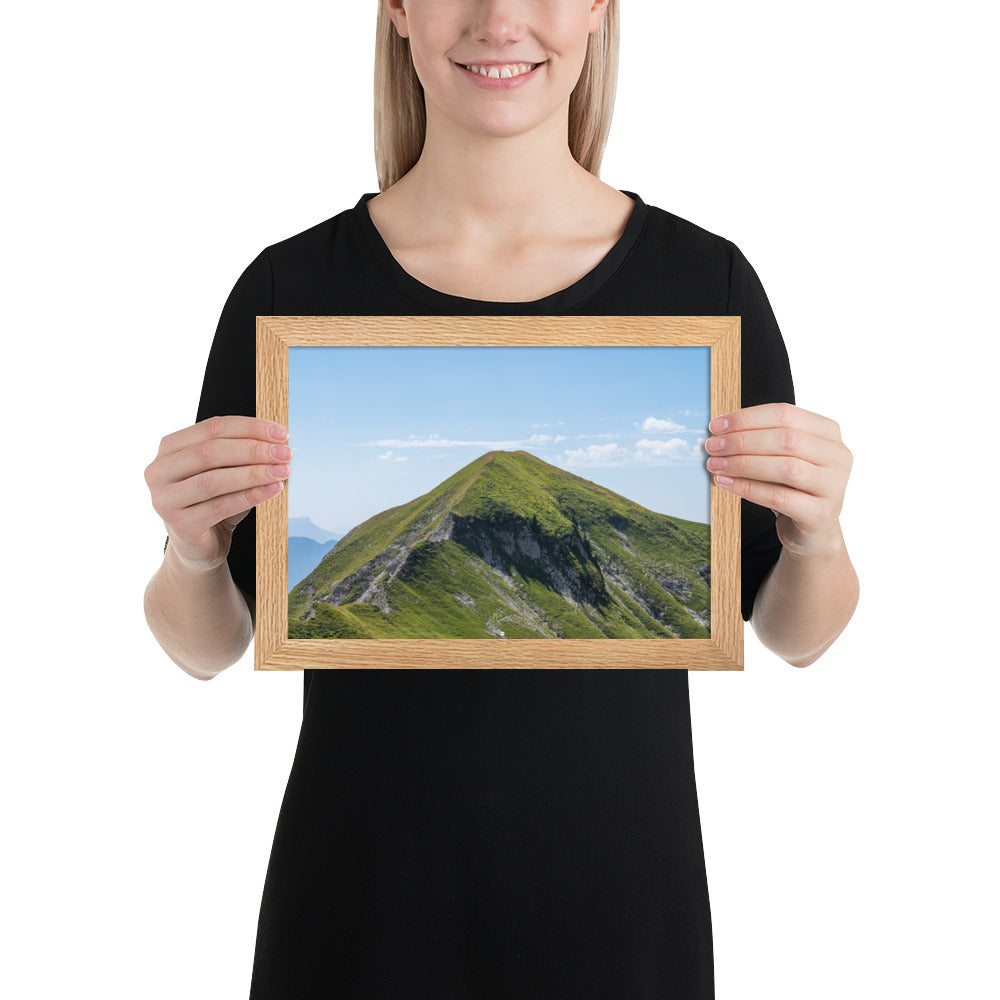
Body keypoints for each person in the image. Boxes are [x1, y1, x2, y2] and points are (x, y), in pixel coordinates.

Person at [143, 1, 859, 996]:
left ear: (602, 8)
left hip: (620, 917)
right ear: (397, 9)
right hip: (360, 914)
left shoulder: (706, 283)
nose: (500, 18)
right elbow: (205, 644)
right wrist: (190, 550)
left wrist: (816, 536)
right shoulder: (288, 288)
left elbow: (796, 632)